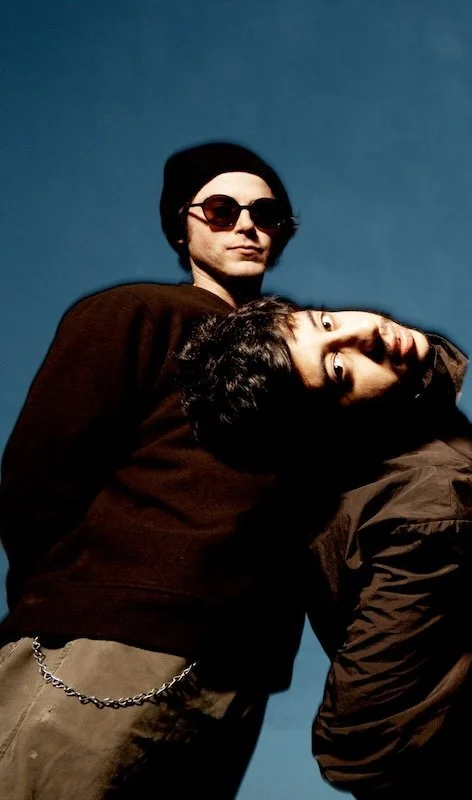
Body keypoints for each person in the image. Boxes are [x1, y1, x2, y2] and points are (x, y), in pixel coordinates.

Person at [176, 298, 472, 800]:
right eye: (338, 368)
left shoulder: (408, 431)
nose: (362, 334)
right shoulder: (434, 500)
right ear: (329, 429)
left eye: (325, 322)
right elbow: (357, 746)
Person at [0, 141, 304, 799]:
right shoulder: (137, 313)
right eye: (221, 210)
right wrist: (73, 604)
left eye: (265, 213)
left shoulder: (304, 364)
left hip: (238, 674)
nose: (246, 225)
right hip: (106, 640)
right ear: (181, 226)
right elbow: (38, 476)